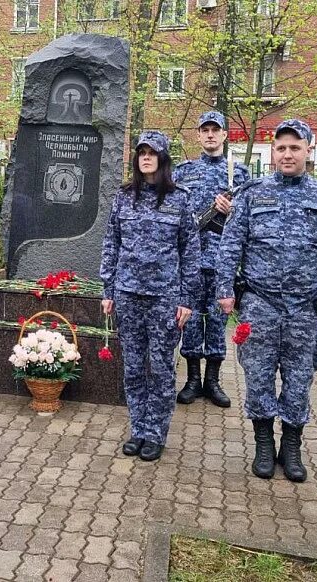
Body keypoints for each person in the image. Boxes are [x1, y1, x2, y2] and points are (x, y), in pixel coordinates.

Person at [216, 119, 317, 482]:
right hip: (260, 305)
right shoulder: (251, 194)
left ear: (308, 150)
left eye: (295, 147)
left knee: (299, 381)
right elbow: (230, 244)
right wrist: (224, 290)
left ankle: (291, 447)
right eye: (281, 148)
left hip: (306, 309)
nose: (287, 154)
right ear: (273, 151)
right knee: (258, 377)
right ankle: (264, 444)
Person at [100, 131, 201, 462]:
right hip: (128, 294)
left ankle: (156, 433)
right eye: (141, 152)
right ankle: (139, 428)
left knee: (159, 368)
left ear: (163, 158)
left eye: (152, 152)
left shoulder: (181, 198)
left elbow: (190, 250)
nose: (145, 157)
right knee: (132, 367)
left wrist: (187, 298)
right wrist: (108, 289)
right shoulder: (124, 197)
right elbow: (111, 243)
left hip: (164, 297)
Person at [174, 111, 251, 408]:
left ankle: (213, 381)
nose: (209, 135)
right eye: (204, 130)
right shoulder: (183, 172)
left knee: (218, 323)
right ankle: (193, 380)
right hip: (191, 262)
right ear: (198, 135)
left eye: (214, 130)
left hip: (223, 262)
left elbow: (250, 219)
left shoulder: (240, 174)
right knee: (191, 321)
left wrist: (231, 211)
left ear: (224, 135)